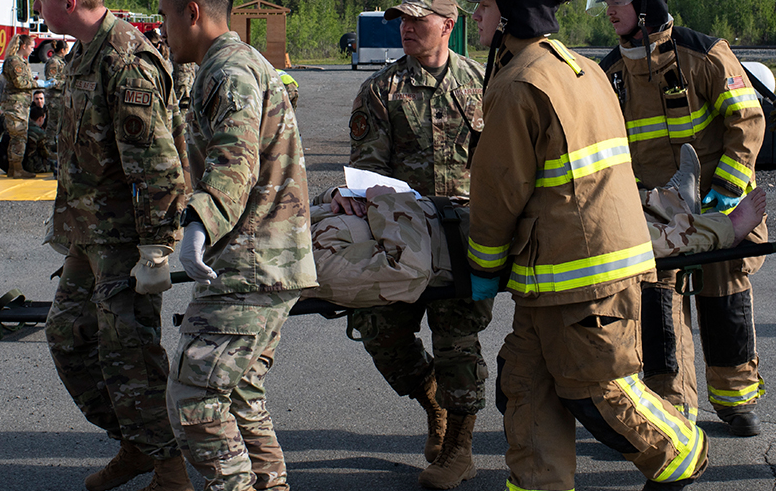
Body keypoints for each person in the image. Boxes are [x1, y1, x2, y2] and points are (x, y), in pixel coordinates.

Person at [453, 0, 708, 491]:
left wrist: (480, 269)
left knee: (600, 389)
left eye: (484, 6)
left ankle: (680, 453)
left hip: (581, 274)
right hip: (564, 267)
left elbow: (498, 195)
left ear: (509, 12)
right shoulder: (582, 67)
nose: (479, 17)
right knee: (526, 380)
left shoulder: (519, 84)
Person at [158, 0, 317, 491]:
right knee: (241, 395)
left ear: (193, 13)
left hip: (250, 259)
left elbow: (233, 158)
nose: (165, 31)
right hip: (267, 256)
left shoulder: (228, 72)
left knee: (194, 396)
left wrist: (199, 222)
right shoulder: (236, 64)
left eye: (168, 18)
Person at [33, 0, 197, 491]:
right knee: (68, 337)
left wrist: (156, 246)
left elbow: (157, 165)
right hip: (89, 232)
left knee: (130, 354)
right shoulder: (83, 54)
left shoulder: (125, 58)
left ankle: (172, 476)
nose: (38, 4)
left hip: (127, 238)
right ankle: (138, 442)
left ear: (68, 1)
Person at [590, 0, 767, 437]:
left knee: (724, 296)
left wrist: (723, 199)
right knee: (659, 310)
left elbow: (747, 123)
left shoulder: (703, 54)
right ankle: (673, 413)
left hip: (720, 207)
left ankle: (735, 397)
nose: (610, 7)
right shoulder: (610, 74)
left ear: (647, 2)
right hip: (657, 218)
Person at [336, 0, 488, 490]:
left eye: (418, 20)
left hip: (465, 235)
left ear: (448, 25)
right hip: (402, 236)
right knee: (380, 333)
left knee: (457, 341)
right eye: (401, 20)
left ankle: (459, 449)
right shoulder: (381, 89)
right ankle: (432, 403)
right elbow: (366, 168)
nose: (405, 27)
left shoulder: (483, 83)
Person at [308, 174, 767, 309]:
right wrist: (386, 206)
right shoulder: (314, 268)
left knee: (581, 195)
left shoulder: (291, 225)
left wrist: (337, 196)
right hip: (482, 248)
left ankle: (670, 201)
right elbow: (408, 273)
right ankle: (721, 230)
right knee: (605, 240)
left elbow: (315, 202)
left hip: (463, 211)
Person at [0, 33, 37, 178]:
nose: (33, 50)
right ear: (24, 46)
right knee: (19, 137)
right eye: (31, 47)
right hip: (16, 106)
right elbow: (20, 83)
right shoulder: (15, 62)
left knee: (17, 137)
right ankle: (17, 169)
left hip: (19, 105)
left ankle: (13, 168)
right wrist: (38, 84)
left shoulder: (19, 61)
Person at [44, 38, 69, 142]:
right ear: (62, 50)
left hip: (59, 97)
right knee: (53, 124)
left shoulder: (61, 61)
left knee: (59, 123)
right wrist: (66, 85)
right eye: (67, 49)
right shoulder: (53, 62)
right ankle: (48, 145)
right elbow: (51, 80)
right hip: (54, 98)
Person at [23, 102, 53, 173]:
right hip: (31, 165)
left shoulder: (23, 128)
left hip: (19, 163)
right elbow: (45, 153)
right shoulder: (39, 132)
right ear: (40, 118)